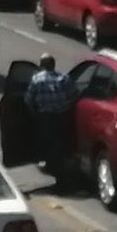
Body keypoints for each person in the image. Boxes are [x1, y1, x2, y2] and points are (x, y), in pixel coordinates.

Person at [24, 54, 77, 183]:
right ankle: (59, 165)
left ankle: (50, 165)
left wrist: (33, 112)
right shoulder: (63, 78)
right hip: (61, 115)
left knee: (47, 141)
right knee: (59, 141)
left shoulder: (36, 79)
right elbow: (74, 95)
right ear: (53, 65)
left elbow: (29, 99)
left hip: (44, 116)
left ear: (42, 65)